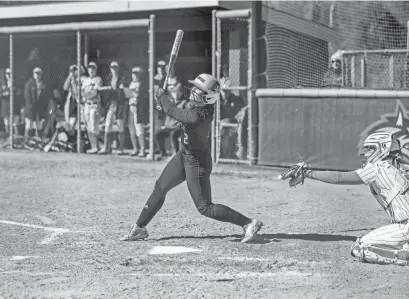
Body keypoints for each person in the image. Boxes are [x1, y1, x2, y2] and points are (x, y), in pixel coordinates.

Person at [121, 73, 263, 243]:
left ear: (207, 96)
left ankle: (248, 223)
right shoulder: (196, 107)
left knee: (205, 207)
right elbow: (174, 111)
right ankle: (139, 228)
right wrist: (164, 102)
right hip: (184, 155)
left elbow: (173, 111)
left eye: (198, 89)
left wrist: (162, 98)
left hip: (197, 163)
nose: (194, 90)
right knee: (160, 187)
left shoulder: (199, 115)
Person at [284, 130, 409, 265]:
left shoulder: (376, 168)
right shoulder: (397, 169)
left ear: (383, 148)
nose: (366, 153)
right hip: (404, 226)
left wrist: (307, 173)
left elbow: (340, 178)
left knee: (361, 247)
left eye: (371, 148)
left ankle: (402, 258)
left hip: (405, 227)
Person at [99, 61, 127, 155]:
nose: (114, 69)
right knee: (107, 126)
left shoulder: (122, 79)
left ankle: (121, 148)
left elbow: (123, 92)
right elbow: (105, 92)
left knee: (120, 127)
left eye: (115, 68)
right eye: (112, 68)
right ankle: (106, 147)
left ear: (118, 69)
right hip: (111, 106)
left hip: (120, 106)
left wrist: (119, 89)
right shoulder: (108, 79)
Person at [82, 62, 103, 154]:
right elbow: (82, 93)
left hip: (95, 104)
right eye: (90, 68)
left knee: (94, 127)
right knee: (88, 127)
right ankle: (93, 146)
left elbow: (95, 92)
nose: (91, 70)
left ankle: (100, 145)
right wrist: (87, 94)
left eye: (93, 68)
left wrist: (87, 94)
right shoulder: (86, 80)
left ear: (96, 69)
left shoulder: (98, 79)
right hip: (87, 104)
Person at [23, 67, 49, 139]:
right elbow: (27, 95)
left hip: (40, 109)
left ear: (41, 75)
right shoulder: (29, 84)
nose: (37, 75)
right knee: (29, 125)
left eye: (39, 73)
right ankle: (27, 141)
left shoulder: (44, 84)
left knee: (39, 125)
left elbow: (45, 97)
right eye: (36, 73)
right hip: (31, 108)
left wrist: (44, 107)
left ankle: (38, 141)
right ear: (33, 74)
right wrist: (31, 105)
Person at [127, 66, 148, 157]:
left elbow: (144, 96)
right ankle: (135, 149)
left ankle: (142, 150)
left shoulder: (143, 84)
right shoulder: (130, 83)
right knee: (132, 130)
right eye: (134, 73)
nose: (135, 75)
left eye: (137, 74)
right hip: (130, 108)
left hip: (138, 109)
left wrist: (138, 92)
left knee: (140, 130)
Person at [1, 68, 22, 136]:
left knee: (15, 123)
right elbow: (1, 94)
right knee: (7, 122)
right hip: (6, 107)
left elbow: (19, 93)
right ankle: (8, 138)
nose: (9, 75)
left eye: (10, 73)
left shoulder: (17, 84)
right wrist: (5, 92)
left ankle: (16, 138)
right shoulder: (3, 84)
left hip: (14, 107)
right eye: (7, 73)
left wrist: (11, 90)